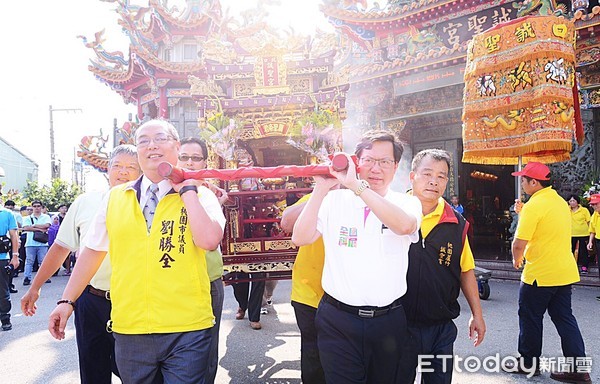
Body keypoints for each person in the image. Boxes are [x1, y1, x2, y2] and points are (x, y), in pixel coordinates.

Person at [47, 119, 226, 383]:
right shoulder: (115, 197)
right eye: (143, 141)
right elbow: (92, 253)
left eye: (160, 138)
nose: (152, 146)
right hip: (131, 328)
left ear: (176, 146)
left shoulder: (201, 195)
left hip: (188, 328)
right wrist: (66, 301)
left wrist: (186, 189)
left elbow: (209, 240)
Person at [292, 130, 422, 383]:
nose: (376, 168)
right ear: (356, 162)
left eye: (385, 162)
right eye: (369, 160)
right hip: (338, 320)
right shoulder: (334, 200)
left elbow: (404, 226)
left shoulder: (405, 202)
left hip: (388, 321)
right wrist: (321, 189)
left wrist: (356, 185)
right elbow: (301, 237)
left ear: (395, 167)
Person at [21, 144, 141, 384]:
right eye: (117, 165)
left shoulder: (149, 203)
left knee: (135, 371)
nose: (123, 171)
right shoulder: (86, 202)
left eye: (131, 167)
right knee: (92, 370)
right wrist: (35, 287)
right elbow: (60, 248)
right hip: (90, 299)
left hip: (134, 301)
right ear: (107, 169)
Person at [397, 149, 486, 384]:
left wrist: (477, 315)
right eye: (427, 174)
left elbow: (466, 270)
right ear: (412, 176)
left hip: (440, 327)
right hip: (396, 322)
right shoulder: (392, 213)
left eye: (441, 176)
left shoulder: (457, 223)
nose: (434, 181)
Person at [507, 162, 590, 383]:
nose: (522, 183)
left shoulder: (535, 205)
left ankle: (528, 364)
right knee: (565, 319)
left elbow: (518, 243)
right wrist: (523, 211)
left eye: (523, 180)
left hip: (539, 274)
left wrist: (517, 259)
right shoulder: (560, 203)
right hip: (563, 272)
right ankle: (579, 369)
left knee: (530, 318)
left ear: (534, 182)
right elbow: (548, 225)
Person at [177, 137, 227, 384]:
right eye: (183, 157)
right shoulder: (160, 193)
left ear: (205, 163)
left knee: (206, 348)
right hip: (172, 284)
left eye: (195, 158)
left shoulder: (207, 196)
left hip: (207, 280)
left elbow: (209, 240)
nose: (189, 163)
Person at [281, 194, 326, 384]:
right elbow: (286, 223)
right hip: (309, 291)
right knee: (313, 354)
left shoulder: (362, 197)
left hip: (347, 296)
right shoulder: (315, 196)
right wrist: (322, 193)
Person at [21, 200, 51, 286]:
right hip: (30, 243)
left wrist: (34, 226)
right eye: (35, 206)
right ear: (32, 207)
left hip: (42, 243)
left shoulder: (46, 217)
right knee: (29, 261)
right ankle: (27, 278)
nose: (37, 208)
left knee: (43, 261)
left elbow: (47, 226)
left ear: (41, 207)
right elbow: (26, 228)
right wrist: (40, 229)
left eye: (38, 206)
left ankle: (44, 277)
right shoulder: (27, 218)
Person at [0, 201, 19, 331]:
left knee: (2, 290)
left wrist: (15, 256)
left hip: (2, 257)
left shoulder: (7, 214)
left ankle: (5, 318)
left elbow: (14, 236)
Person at [567, 195, 592, 275]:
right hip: (571, 234)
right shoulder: (566, 210)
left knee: (583, 251)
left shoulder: (584, 210)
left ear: (577, 202)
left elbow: (589, 221)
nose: (572, 203)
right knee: (570, 250)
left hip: (583, 233)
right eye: (570, 201)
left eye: (574, 201)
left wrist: (591, 232)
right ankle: (571, 266)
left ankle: (584, 266)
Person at [586, 193, 600, 301]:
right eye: (593, 204)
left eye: (596, 204)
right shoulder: (595, 214)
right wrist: (590, 242)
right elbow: (592, 230)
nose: (594, 207)